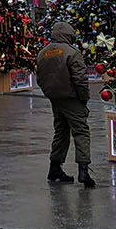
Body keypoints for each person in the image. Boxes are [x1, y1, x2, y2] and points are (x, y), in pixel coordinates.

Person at [36, 20, 93, 187]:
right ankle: (84, 171)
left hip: (55, 98)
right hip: (72, 98)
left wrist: (50, 93)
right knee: (81, 131)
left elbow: (40, 78)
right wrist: (84, 97)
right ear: (69, 34)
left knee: (60, 131)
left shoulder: (43, 53)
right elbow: (80, 79)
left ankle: (55, 168)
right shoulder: (72, 53)